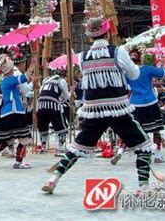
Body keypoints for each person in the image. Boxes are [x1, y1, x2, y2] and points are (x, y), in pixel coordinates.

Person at [42, 17, 153, 195]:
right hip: (118, 108)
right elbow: (134, 74)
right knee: (144, 145)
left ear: (89, 37)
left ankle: (53, 179)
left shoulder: (83, 57)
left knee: (78, 147)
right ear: (107, 33)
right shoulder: (117, 51)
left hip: (94, 111)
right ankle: (143, 187)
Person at [0, 53, 35, 169]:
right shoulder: (10, 80)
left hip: (6, 113)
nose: (14, 70)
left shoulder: (4, 81)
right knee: (25, 138)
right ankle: (18, 162)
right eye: (12, 68)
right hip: (15, 112)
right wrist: (33, 64)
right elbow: (26, 76)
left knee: (9, 139)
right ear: (9, 69)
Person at [124, 49, 165, 163]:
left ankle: (141, 155)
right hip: (150, 101)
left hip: (135, 103)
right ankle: (158, 155)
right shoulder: (148, 69)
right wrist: (163, 64)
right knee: (156, 129)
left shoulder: (127, 73)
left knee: (138, 131)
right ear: (141, 58)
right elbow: (164, 74)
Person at [37, 72, 70, 156]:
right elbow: (66, 96)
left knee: (43, 125)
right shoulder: (62, 81)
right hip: (53, 104)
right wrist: (72, 91)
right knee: (61, 125)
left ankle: (44, 146)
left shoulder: (45, 80)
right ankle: (60, 147)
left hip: (40, 104)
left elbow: (41, 91)